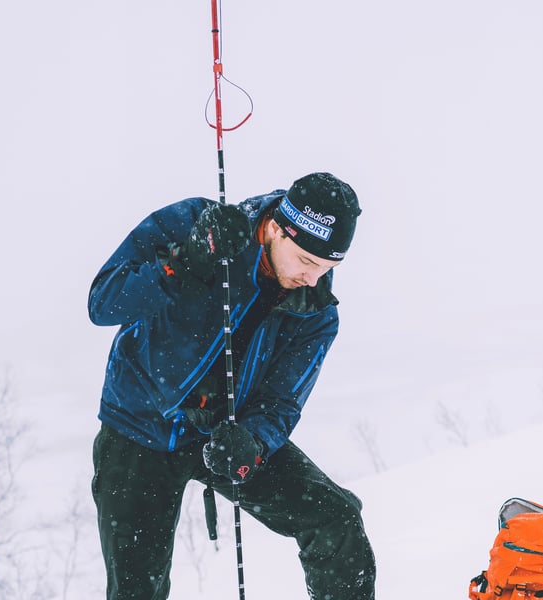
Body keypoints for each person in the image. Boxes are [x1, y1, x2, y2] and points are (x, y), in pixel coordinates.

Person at [87, 172, 376, 599]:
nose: (314, 279)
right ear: (277, 229)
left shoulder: (315, 311)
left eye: (329, 268)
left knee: (337, 521)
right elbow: (103, 302)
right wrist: (183, 262)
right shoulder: (198, 224)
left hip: (225, 437)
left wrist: (252, 442)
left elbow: (282, 403)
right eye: (308, 262)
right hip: (139, 429)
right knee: (136, 591)